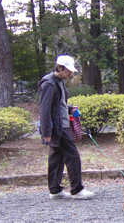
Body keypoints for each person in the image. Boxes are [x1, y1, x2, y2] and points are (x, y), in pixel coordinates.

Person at [38, 55, 94, 200]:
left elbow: (57, 105)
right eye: (68, 70)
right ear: (60, 68)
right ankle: (77, 189)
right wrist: (46, 131)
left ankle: (55, 190)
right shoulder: (49, 84)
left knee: (56, 158)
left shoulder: (58, 82)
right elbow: (44, 109)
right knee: (73, 156)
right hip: (58, 127)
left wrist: (69, 108)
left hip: (60, 125)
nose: (70, 73)